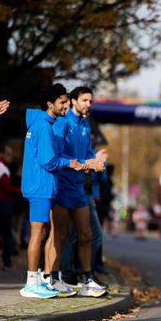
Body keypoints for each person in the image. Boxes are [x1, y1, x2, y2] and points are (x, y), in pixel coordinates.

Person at [20, 83, 86, 298]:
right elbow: (48, 161)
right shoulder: (43, 126)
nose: (66, 105)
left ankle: (37, 278)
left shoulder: (44, 123)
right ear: (50, 104)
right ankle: (31, 282)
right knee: (37, 233)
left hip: (42, 186)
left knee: (42, 232)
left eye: (67, 101)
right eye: (62, 102)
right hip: (40, 186)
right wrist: (70, 164)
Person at [45, 85, 106, 298]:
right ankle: (52, 278)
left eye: (91, 101)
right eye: (85, 100)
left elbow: (87, 152)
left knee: (86, 235)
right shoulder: (62, 123)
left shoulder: (85, 125)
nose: (89, 105)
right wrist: (86, 162)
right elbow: (57, 156)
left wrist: (96, 159)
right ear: (73, 101)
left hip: (79, 187)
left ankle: (87, 280)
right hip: (62, 186)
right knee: (59, 235)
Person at [0, 143, 21, 270]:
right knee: (7, 234)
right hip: (3, 204)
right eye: (8, 154)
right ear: (0, 154)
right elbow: (6, 187)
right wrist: (20, 191)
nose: (10, 157)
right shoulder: (2, 168)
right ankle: (7, 262)